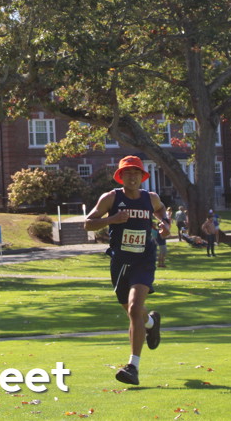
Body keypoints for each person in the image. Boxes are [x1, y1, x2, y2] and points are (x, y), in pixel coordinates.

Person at [84, 156, 169, 385]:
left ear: (142, 176)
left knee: (134, 308)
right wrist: (113, 219)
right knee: (131, 310)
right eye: (128, 173)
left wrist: (165, 223)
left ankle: (133, 367)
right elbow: (88, 223)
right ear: (121, 176)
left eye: (136, 173)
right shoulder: (111, 198)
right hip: (120, 262)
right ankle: (151, 323)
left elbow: (161, 210)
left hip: (144, 259)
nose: (132, 177)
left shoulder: (151, 198)